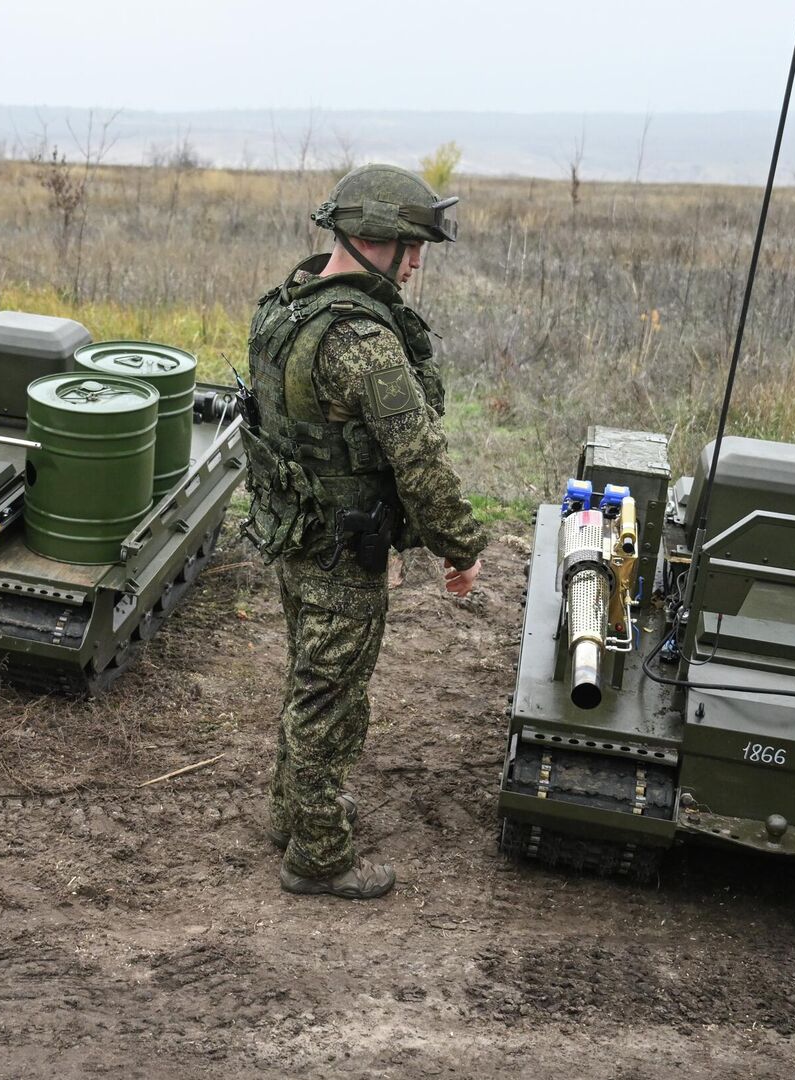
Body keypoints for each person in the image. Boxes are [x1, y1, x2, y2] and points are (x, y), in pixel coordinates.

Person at [244, 163, 489, 900]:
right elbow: (419, 460)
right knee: (331, 699)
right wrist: (460, 545)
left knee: (309, 679)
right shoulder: (364, 342)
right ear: (370, 237)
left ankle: (295, 812)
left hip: (295, 533)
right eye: (408, 246)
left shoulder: (288, 306)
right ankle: (318, 855)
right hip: (343, 549)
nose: (416, 263)